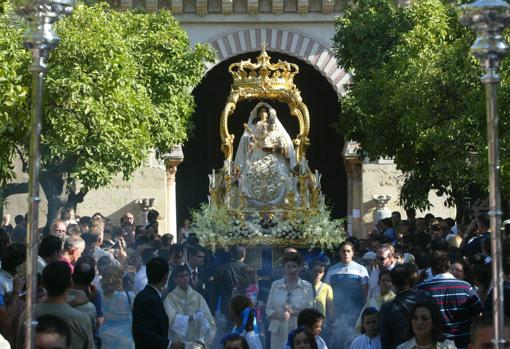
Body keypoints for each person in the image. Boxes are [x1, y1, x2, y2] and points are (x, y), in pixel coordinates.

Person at [18, 261, 94, 349]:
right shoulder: (82, 319)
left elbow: (19, 345)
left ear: (43, 283)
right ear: (70, 284)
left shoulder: (28, 314)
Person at [234, 102, 297, 207]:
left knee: (282, 176)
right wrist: (251, 140)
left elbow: (282, 137)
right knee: (249, 176)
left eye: (265, 111)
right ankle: (251, 206)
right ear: (258, 114)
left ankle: (281, 206)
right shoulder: (253, 125)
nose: (263, 113)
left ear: (268, 113)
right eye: (261, 112)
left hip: (272, 154)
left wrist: (278, 144)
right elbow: (245, 137)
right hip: (256, 153)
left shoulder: (274, 126)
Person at [417, 251, 482, 348]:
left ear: (432, 270)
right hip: (462, 343)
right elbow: (478, 314)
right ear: (449, 266)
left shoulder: (421, 289)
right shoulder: (465, 287)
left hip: (436, 344)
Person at [132, 257, 183, 349]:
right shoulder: (148, 299)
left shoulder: (151, 295)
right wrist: (169, 344)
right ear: (165, 277)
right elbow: (143, 332)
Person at [324, 241, 368, 347]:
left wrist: (363, 312)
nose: (346, 253)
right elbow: (326, 292)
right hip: (337, 313)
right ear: (339, 253)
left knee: (354, 341)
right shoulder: (332, 270)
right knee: (337, 341)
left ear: (353, 253)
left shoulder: (361, 270)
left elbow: (366, 293)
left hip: (356, 313)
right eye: (343, 251)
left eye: (348, 251)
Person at [266, 252, 314, 349]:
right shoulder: (275, 285)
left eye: (294, 266)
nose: (291, 269)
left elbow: (310, 311)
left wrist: (293, 312)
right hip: (278, 331)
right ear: (284, 267)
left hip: (298, 331)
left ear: (300, 267)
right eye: (288, 266)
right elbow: (268, 308)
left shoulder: (307, 286)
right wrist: (279, 315)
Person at [380, 264, 431, 349]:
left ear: (392, 283)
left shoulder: (387, 307)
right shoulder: (425, 296)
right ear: (411, 279)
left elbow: (385, 340)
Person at [164, 265, 216, 346]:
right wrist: (191, 318)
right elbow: (171, 320)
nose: (185, 279)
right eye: (181, 276)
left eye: (187, 275)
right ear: (175, 279)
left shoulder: (197, 296)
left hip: (196, 343)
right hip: (178, 343)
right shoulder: (170, 298)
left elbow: (209, 319)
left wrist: (204, 322)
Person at [101, 265, 135, 349]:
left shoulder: (100, 294)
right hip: (126, 339)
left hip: (106, 337)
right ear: (119, 279)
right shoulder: (129, 296)